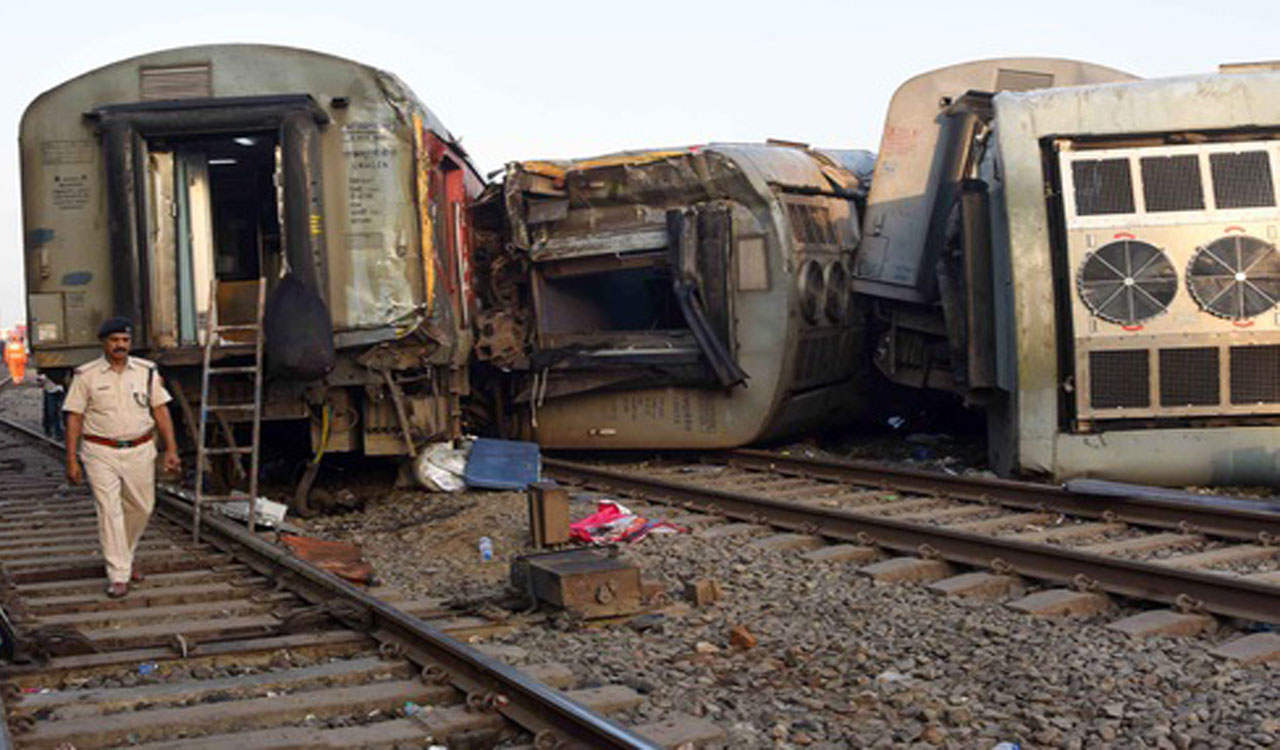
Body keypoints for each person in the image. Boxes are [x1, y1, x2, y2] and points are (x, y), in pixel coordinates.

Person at [64, 317, 181, 598]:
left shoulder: (147, 372)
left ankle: (124, 559)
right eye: (114, 340)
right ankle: (118, 574)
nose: (120, 345)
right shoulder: (86, 375)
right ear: (103, 342)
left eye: (125, 341)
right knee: (110, 511)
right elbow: (74, 417)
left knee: (142, 507)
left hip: (140, 449)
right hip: (99, 451)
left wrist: (172, 449)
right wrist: (71, 459)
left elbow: (161, 411)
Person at [36, 373, 65, 440]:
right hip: (51, 389)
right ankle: (56, 432)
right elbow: (40, 377)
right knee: (52, 412)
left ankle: (53, 431)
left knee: (54, 412)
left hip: (59, 388)